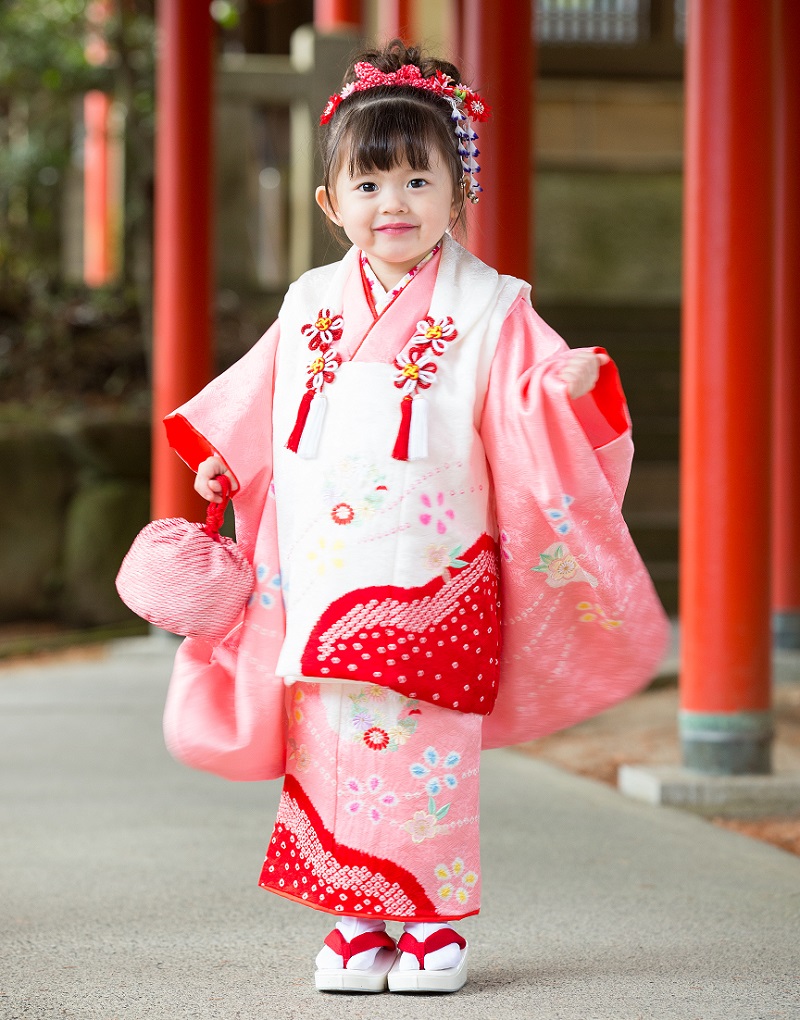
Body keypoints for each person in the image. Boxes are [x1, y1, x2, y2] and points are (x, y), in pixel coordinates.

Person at [162, 41, 668, 995]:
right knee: (330, 740)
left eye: (417, 178)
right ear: (330, 203)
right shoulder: (310, 301)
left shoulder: (493, 305)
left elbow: (526, 405)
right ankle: (354, 918)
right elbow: (260, 397)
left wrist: (562, 392)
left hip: (435, 570)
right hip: (321, 569)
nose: (392, 202)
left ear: (455, 194)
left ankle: (430, 922)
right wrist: (225, 461)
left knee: (426, 748)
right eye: (368, 181)